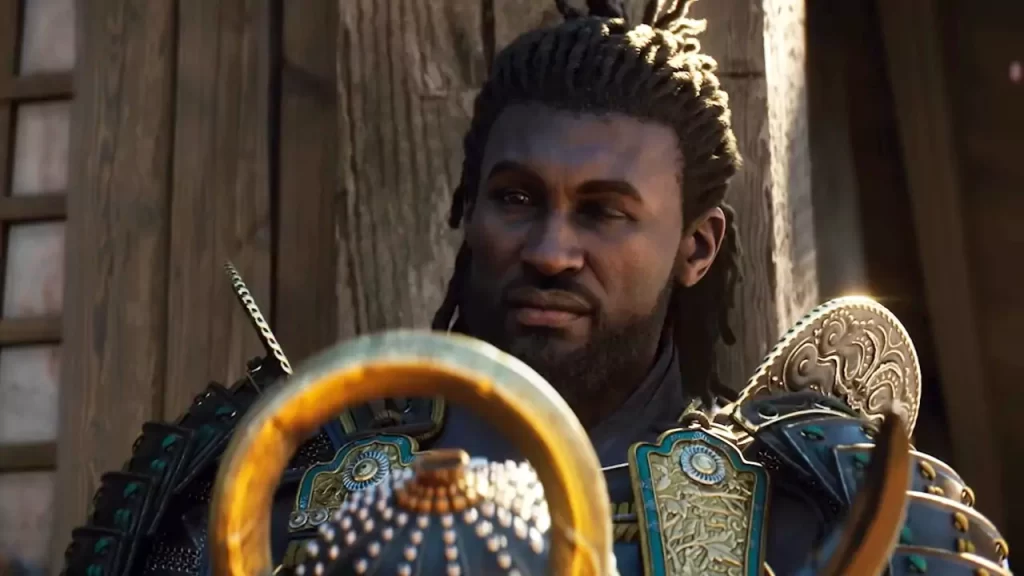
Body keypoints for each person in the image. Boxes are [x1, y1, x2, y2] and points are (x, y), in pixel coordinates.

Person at [60, 1, 1009, 575]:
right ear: (468, 209)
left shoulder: (822, 502)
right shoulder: (272, 480)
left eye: (604, 212)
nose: (552, 250)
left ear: (697, 246)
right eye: (517, 199)